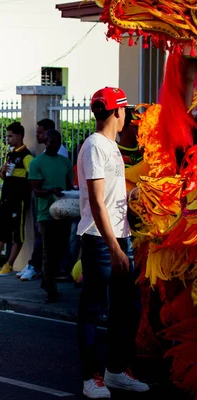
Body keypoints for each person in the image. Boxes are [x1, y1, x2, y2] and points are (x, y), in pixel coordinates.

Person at [76, 87, 149, 398]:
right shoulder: (95, 146)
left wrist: (136, 196)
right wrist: (115, 248)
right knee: (92, 309)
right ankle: (91, 377)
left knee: (127, 308)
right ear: (117, 113)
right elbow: (96, 202)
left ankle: (116, 371)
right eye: (125, 113)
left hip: (120, 238)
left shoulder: (111, 146)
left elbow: (110, 196)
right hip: (99, 240)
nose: (127, 119)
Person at [28, 129, 73, 303]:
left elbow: (69, 185)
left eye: (55, 142)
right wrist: (51, 191)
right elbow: (36, 190)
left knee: (61, 248)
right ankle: (50, 287)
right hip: (45, 213)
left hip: (63, 211)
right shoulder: (36, 163)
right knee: (48, 250)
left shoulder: (65, 162)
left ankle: (49, 279)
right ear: (44, 143)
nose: (51, 145)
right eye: (49, 142)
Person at [0, 122, 34, 276]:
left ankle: (9, 264)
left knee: (17, 233)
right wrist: (2, 171)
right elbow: (4, 176)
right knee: (0, 231)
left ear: (19, 136)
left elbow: (32, 176)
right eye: (7, 136)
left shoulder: (27, 156)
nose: (8, 139)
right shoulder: (10, 154)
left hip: (18, 201)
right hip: (5, 199)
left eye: (10, 136)